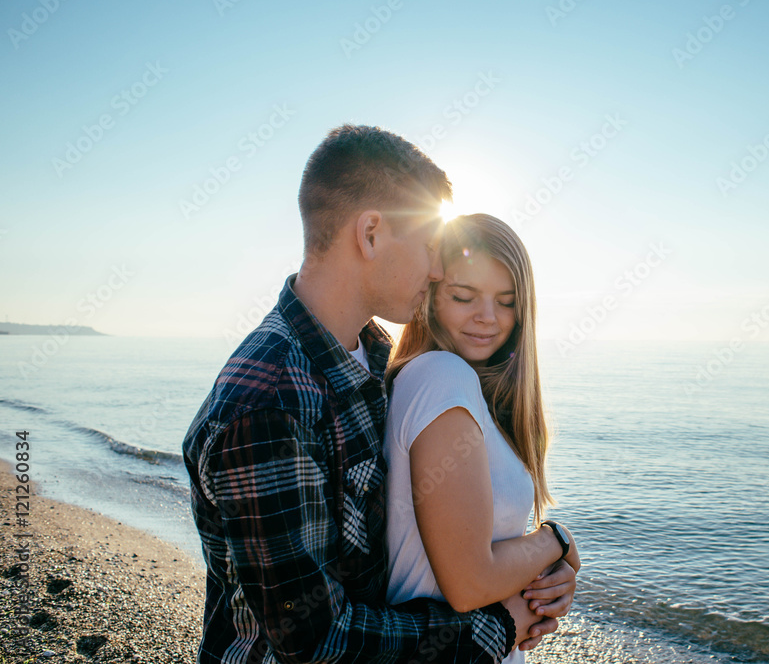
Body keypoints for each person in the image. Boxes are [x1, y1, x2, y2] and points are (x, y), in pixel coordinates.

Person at [182, 125, 561, 663]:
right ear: (371, 234)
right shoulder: (270, 403)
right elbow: (314, 641)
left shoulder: (375, 357)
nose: (436, 268)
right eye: (431, 245)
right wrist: (496, 625)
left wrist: (543, 571)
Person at [383, 214, 581, 662]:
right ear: (431, 296)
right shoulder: (441, 376)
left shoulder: (464, 390)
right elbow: (470, 582)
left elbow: (485, 552)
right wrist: (558, 542)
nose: (487, 318)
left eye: (507, 302)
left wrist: (549, 578)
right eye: (463, 296)